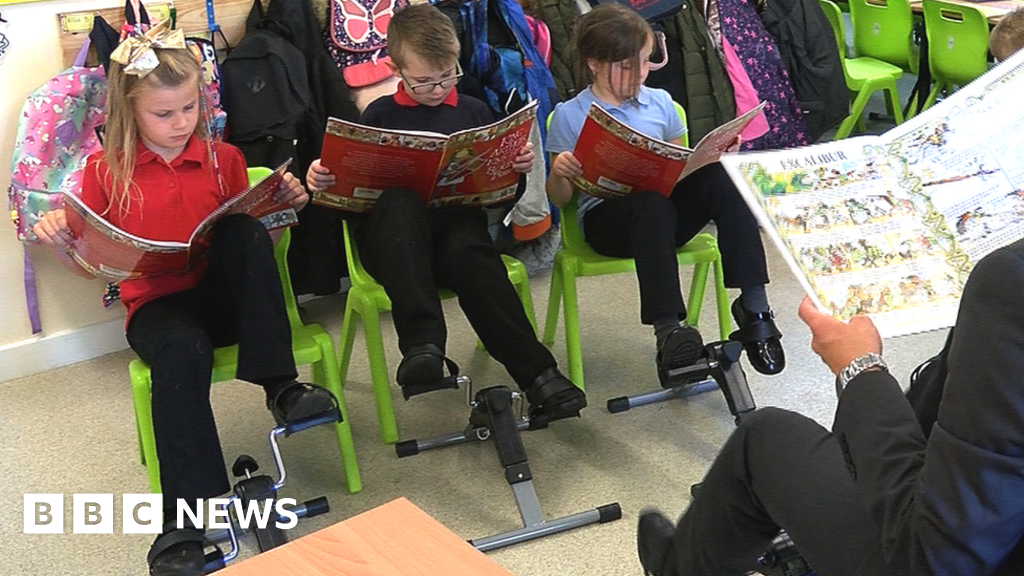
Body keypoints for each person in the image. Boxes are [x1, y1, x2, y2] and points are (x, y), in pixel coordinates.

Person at [32, 27, 331, 576]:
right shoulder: (103, 174)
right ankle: (184, 524)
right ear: (131, 112)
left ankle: (282, 388)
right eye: (163, 114)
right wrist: (61, 244)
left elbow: (261, 251)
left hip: (220, 299)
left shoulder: (224, 160)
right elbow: (91, 267)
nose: (181, 123)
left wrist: (283, 211)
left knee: (241, 230)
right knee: (181, 352)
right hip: (158, 309)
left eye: (190, 108)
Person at [636, 237, 1024, 575]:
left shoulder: (1010, 277)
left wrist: (860, 370)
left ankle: (674, 568)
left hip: (956, 555)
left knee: (766, 439)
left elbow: (935, 559)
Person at [305, 4, 586, 420]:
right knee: (400, 202)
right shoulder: (378, 116)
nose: (437, 89)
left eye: (447, 76)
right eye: (423, 82)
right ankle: (422, 346)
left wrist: (515, 171)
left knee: (468, 246)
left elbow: (500, 200)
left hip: (457, 240)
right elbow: (348, 205)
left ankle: (539, 375)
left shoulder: (472, 111)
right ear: (396, 69)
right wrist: (323, 181)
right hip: (395, 250)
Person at [544, 3, 785, 381]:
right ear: (593, 63)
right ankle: (669, 331)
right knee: (650, 203)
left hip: (665, 215)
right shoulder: (570, 114)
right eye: (626, 66)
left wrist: (713, 155)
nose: (639, 73)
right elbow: (559, 200)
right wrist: (560, 173)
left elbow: (680, 165)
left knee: (722, 177)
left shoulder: (660, 103)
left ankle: (755, 308)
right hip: (609, 225)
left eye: (644, 62)